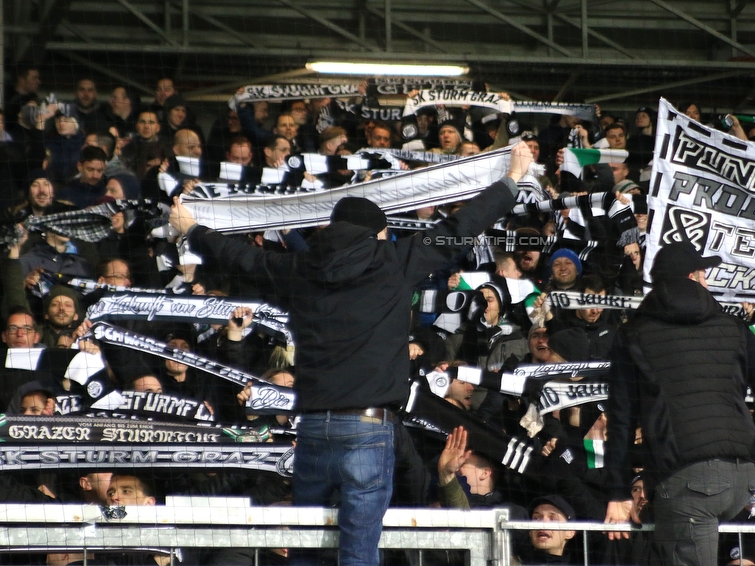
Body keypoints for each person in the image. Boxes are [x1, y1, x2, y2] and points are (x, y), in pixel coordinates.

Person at [169, 142, 533, 566]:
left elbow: (244, 257)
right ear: (379, 233)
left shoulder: (301, 267)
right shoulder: (394, 260)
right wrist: (511, 181)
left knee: (306, 552)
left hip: (311, 431)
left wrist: (192, 229)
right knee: (357, 553)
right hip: (366, 429)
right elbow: (460, 227)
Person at [603, 240, 755, 566]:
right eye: (703, 274)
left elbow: (621, 419)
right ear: (691, 277)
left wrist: (617, 491)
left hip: (689, 486)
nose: (707, 282)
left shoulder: (633, 334)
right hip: (741, 480)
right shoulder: (734, 326)